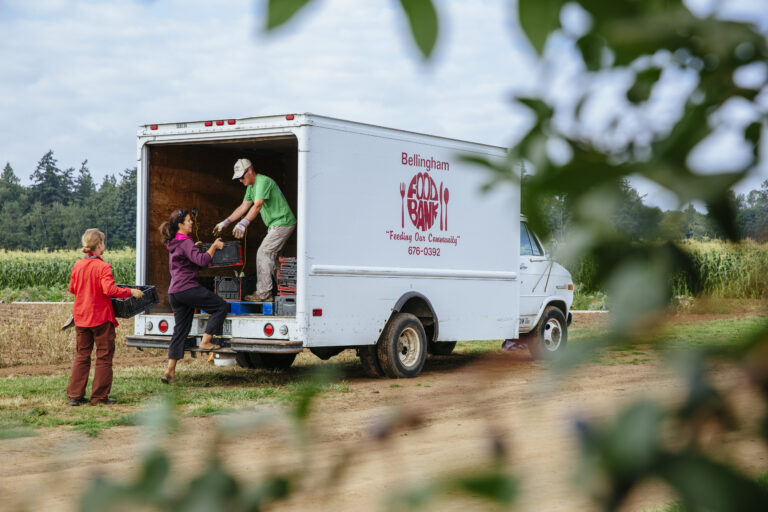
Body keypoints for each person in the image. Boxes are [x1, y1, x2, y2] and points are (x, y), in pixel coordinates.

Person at [67, 228, 144, 406]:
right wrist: (131, 291)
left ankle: (74, 396)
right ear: (100, 244)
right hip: (100, 318)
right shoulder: (103, 267)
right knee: (104, 356)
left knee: (82, 355)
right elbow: (109, 290)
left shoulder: (78, 265)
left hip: (81, 317)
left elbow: (72, 289)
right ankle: (99, 397)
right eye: (103, 241)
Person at [212, 158, 296, 302]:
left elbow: (257, 205)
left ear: (250, 171)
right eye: (237, 178)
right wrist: (225, 222)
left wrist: (244, 223)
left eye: (241, 176)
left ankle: (263, 294)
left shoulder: (262, 182)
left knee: (264, 252)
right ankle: (289, 291)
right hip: (276, 224)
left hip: (283, 222)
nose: (240, 180)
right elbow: (243, 207)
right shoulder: (251, 188)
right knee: (272, 259)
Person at [160, 208, 228, 384]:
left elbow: (190, 262)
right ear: (180, 224)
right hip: (187, 288)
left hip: (174, 292)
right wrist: (214, 246)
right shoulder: (186, 242)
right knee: (221, 306)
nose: (192, 222)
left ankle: (170, 371)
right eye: (189, 220)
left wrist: (195, 249)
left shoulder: (175, 242)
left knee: (180, 331)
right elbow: (203, 261)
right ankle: (206, 342)